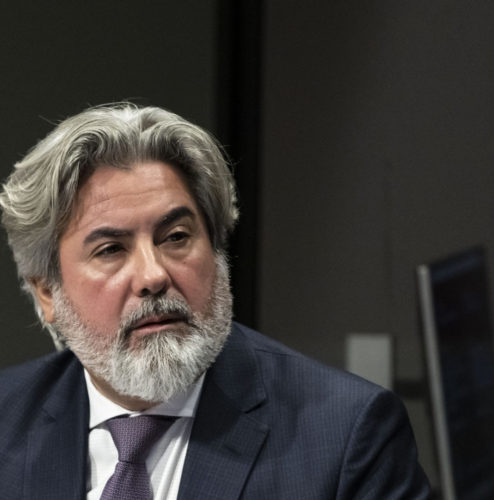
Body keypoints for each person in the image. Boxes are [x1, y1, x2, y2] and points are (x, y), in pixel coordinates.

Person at [0, 103, 430, 499]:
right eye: (111, 249)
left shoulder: (346, 436)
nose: (153, 275)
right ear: (46, 291)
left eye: (176, 238)